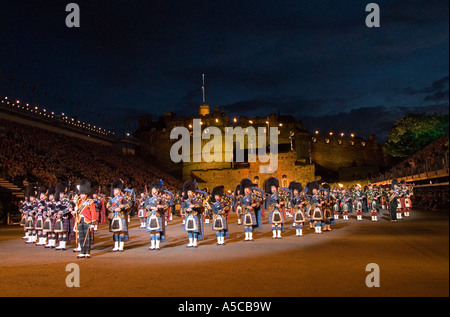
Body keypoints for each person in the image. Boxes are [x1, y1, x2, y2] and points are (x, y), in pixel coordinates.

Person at [74, 179, 98, 258]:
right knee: (81, 236)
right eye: (81, 194)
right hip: (80, 220)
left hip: (87, 221)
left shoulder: (90, 202)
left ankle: (87, 252)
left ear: (86, 194)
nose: (81, 195)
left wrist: (93, 223)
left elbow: (93, 213)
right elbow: (77, 211)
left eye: (83, 194)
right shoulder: (79, 202)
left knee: (87, 237)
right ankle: (82, 251)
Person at [107, 180, 133, 252]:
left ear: (119, 191)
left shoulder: (123, 197)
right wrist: (114, 209)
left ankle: (121, 246)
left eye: (116, 190)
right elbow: (108, 206)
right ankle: (115, 245)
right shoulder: (111, 199)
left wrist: (123, 206)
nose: (114, 192)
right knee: (115, 231)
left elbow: (130, 204)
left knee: (121, 231)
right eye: (114, 190)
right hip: (114, 216)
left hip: (121, 215)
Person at [182, 180, 204, 248]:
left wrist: (194, 206)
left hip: (195, 215)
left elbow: (200, 205)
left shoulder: (197, 198)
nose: (188, 193)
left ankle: (195, 242)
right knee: (189, 230)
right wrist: (186, 209)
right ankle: (190, 242)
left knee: (195, 230)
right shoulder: (186, 200)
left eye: (190, 192)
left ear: (193, 192)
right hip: (188, 216)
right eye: (188, 192)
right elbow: (184, 207)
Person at [145, 181, 166, 250]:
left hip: (158, 215)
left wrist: (161, 206)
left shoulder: (160, 198)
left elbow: (166, 205)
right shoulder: (148, 198)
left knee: (157, 230)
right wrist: (151, 207)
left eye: (155, 191)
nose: (154, 192)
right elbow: (146, 205)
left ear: (157, 191)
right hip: (150, 215)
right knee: (152, 231)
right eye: (152, 190)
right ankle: (152, 244)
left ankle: (157, 245)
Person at [54, 182, 72, 250]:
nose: (61, 195)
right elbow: (56, 209)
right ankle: (60, 244)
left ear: (64, 194)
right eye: (60, 194)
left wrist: (62, 212)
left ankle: (63, 244)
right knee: (59, 232)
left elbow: (69, 209)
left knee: (64, 232)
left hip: (65, 217)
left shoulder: (67, 201)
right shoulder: (58, 202)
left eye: (62, 194)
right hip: (59, 218)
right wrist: (57, 214)